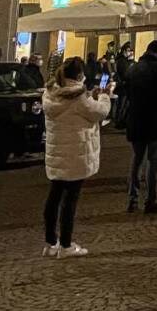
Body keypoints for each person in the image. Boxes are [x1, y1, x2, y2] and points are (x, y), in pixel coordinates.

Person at [42, 57, 111, 258]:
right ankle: (65, 245)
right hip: (75, 155)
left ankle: (50, 242)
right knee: (70, 201)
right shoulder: (78, 98)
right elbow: (100, 112)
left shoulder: (50, 93)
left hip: (56, 154)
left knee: (53, 198)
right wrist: (104, 96)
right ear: (80, 75)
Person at [124, 40, 157, 214]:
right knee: (153, 161)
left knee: (136, 160)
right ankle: (151, 200)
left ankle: (132, 199)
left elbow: (126, 92)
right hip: (154, 121)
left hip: (136, 119)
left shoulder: (134, 68)